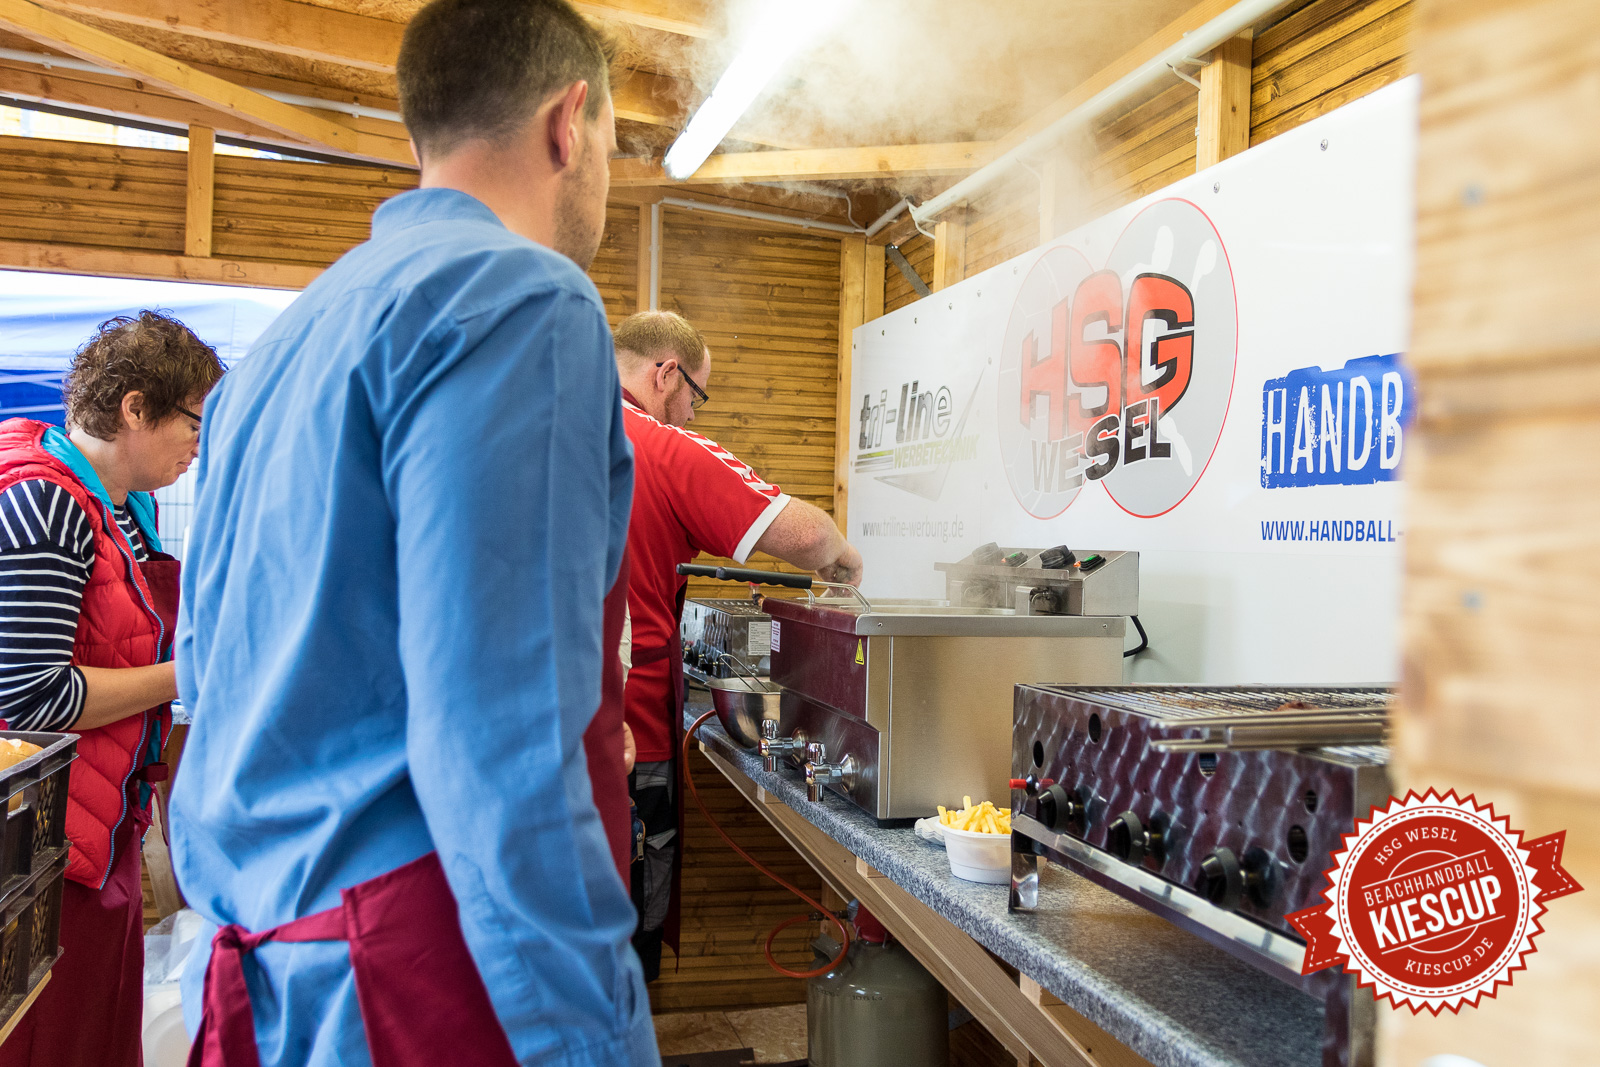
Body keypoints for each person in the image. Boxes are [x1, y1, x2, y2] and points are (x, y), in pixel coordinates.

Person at [167, 1, 657, 1064]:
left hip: (267, 966)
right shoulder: (523, 298)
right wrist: (593, 1038)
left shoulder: (278, 352)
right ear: (568, 123)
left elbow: (201, 676)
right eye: (617, 144)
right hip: (425, 967)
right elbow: (503, 735)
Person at [0, 311, 222, 1067]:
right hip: (46, 845)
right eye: (194, 420)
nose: (200, 442)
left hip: (102, 822)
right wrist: (196, 669)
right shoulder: (48, 505)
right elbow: (31, 695)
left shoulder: (128, 509)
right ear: (134, 407)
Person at [612, 310, 863, 978]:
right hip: (628, 737)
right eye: (696, 393)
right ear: (666, 371)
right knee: (626, 928)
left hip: (526, 747)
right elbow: (805, 537)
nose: (692, 414)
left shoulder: (540, 425)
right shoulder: (658, 445)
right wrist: (842, 556)